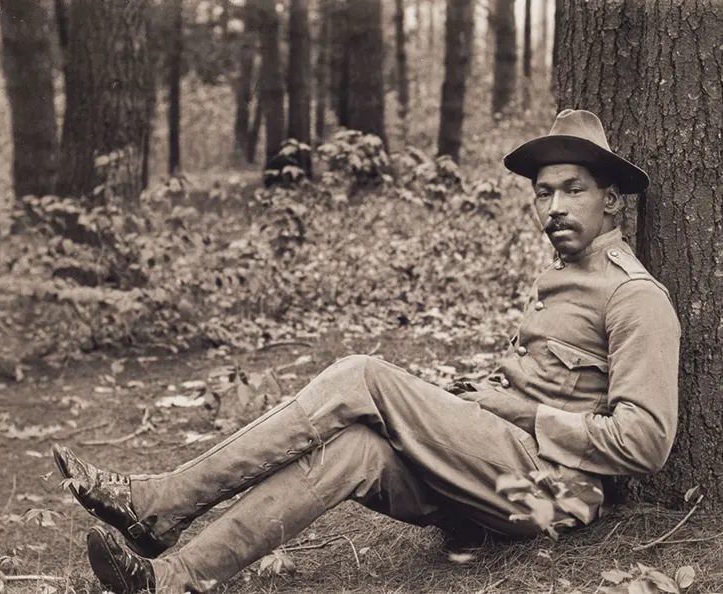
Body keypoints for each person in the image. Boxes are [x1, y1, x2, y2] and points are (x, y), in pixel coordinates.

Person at [53, 109, 681, 594]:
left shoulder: (633, 297)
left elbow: (647, 443)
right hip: (493, 471)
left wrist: (524, 415)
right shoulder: (563, 277)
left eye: (573, 189)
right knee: (353, 450)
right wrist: (480, 405)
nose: (554, 207)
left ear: (611, 199)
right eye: (543, 193)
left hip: (551, 493)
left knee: (362, 375)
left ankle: (163, 502)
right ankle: (173, 577)